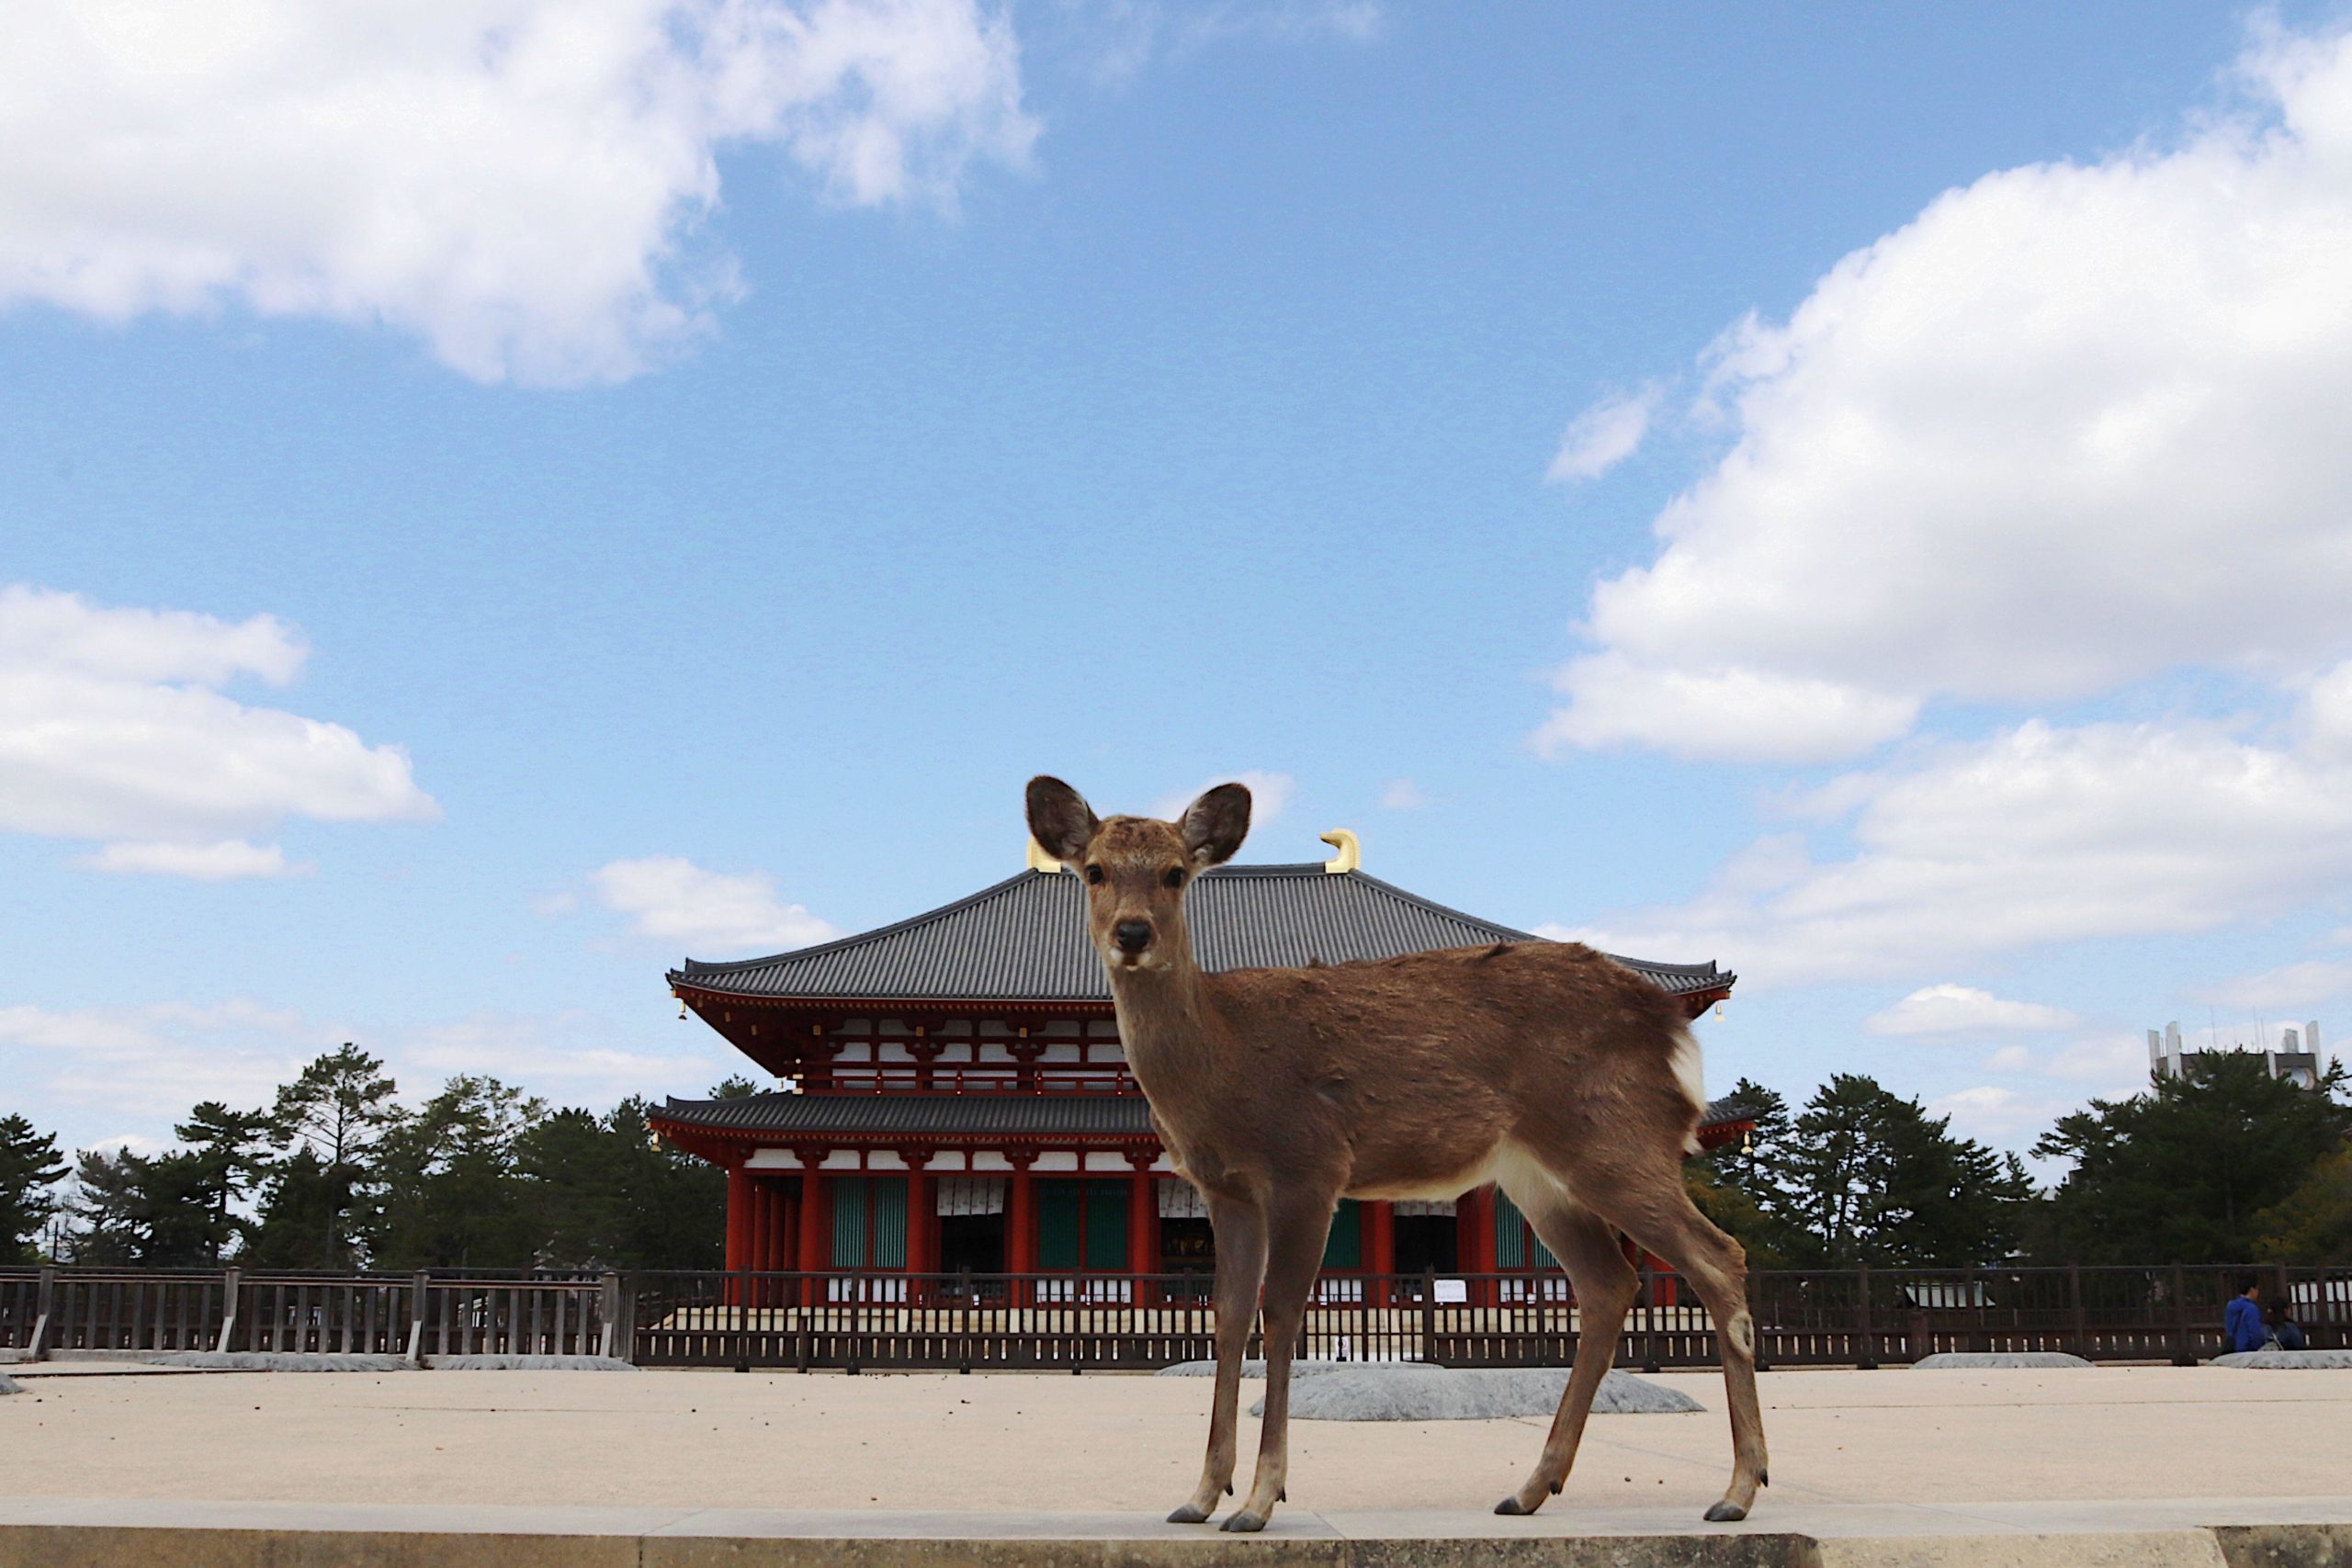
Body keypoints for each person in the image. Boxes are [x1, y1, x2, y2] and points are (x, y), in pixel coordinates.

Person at [2224, 1276, 2267, 1353]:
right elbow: (2255, 1333)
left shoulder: (2230, 1306)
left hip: (2233, 1348)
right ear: (2251, 1289)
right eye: (2257, 1289)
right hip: (2247, 1350)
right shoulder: (2251, 1308)